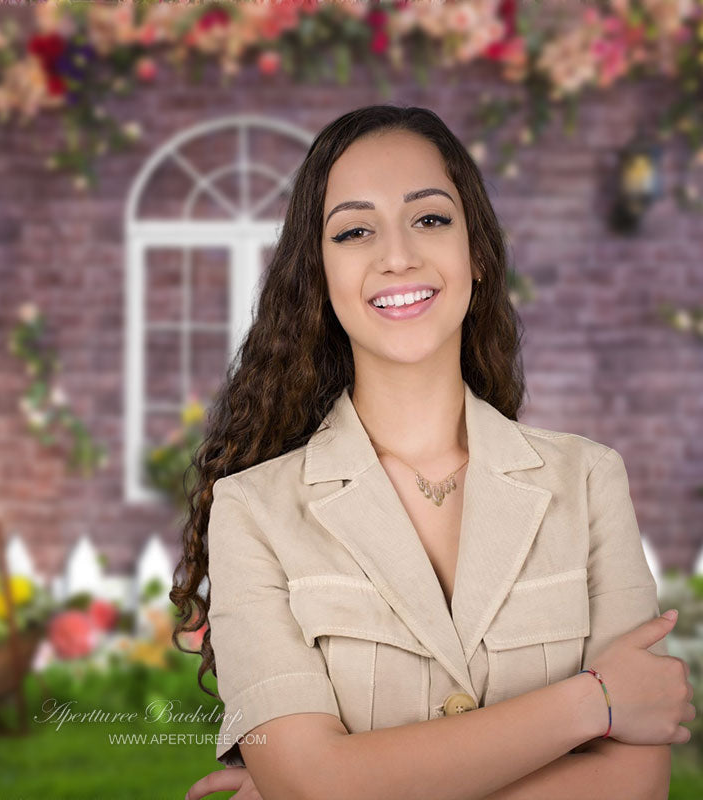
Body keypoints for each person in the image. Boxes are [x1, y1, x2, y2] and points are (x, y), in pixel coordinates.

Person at [171, 104, 695, 800]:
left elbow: (635, 785)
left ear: (475, 252)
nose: (397, 256)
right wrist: (593, 703)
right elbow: (312, 785)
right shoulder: (252, 512)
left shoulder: (590, 481)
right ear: (319, 277)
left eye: (430, 218)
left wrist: (342, 783)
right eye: (355, 231)